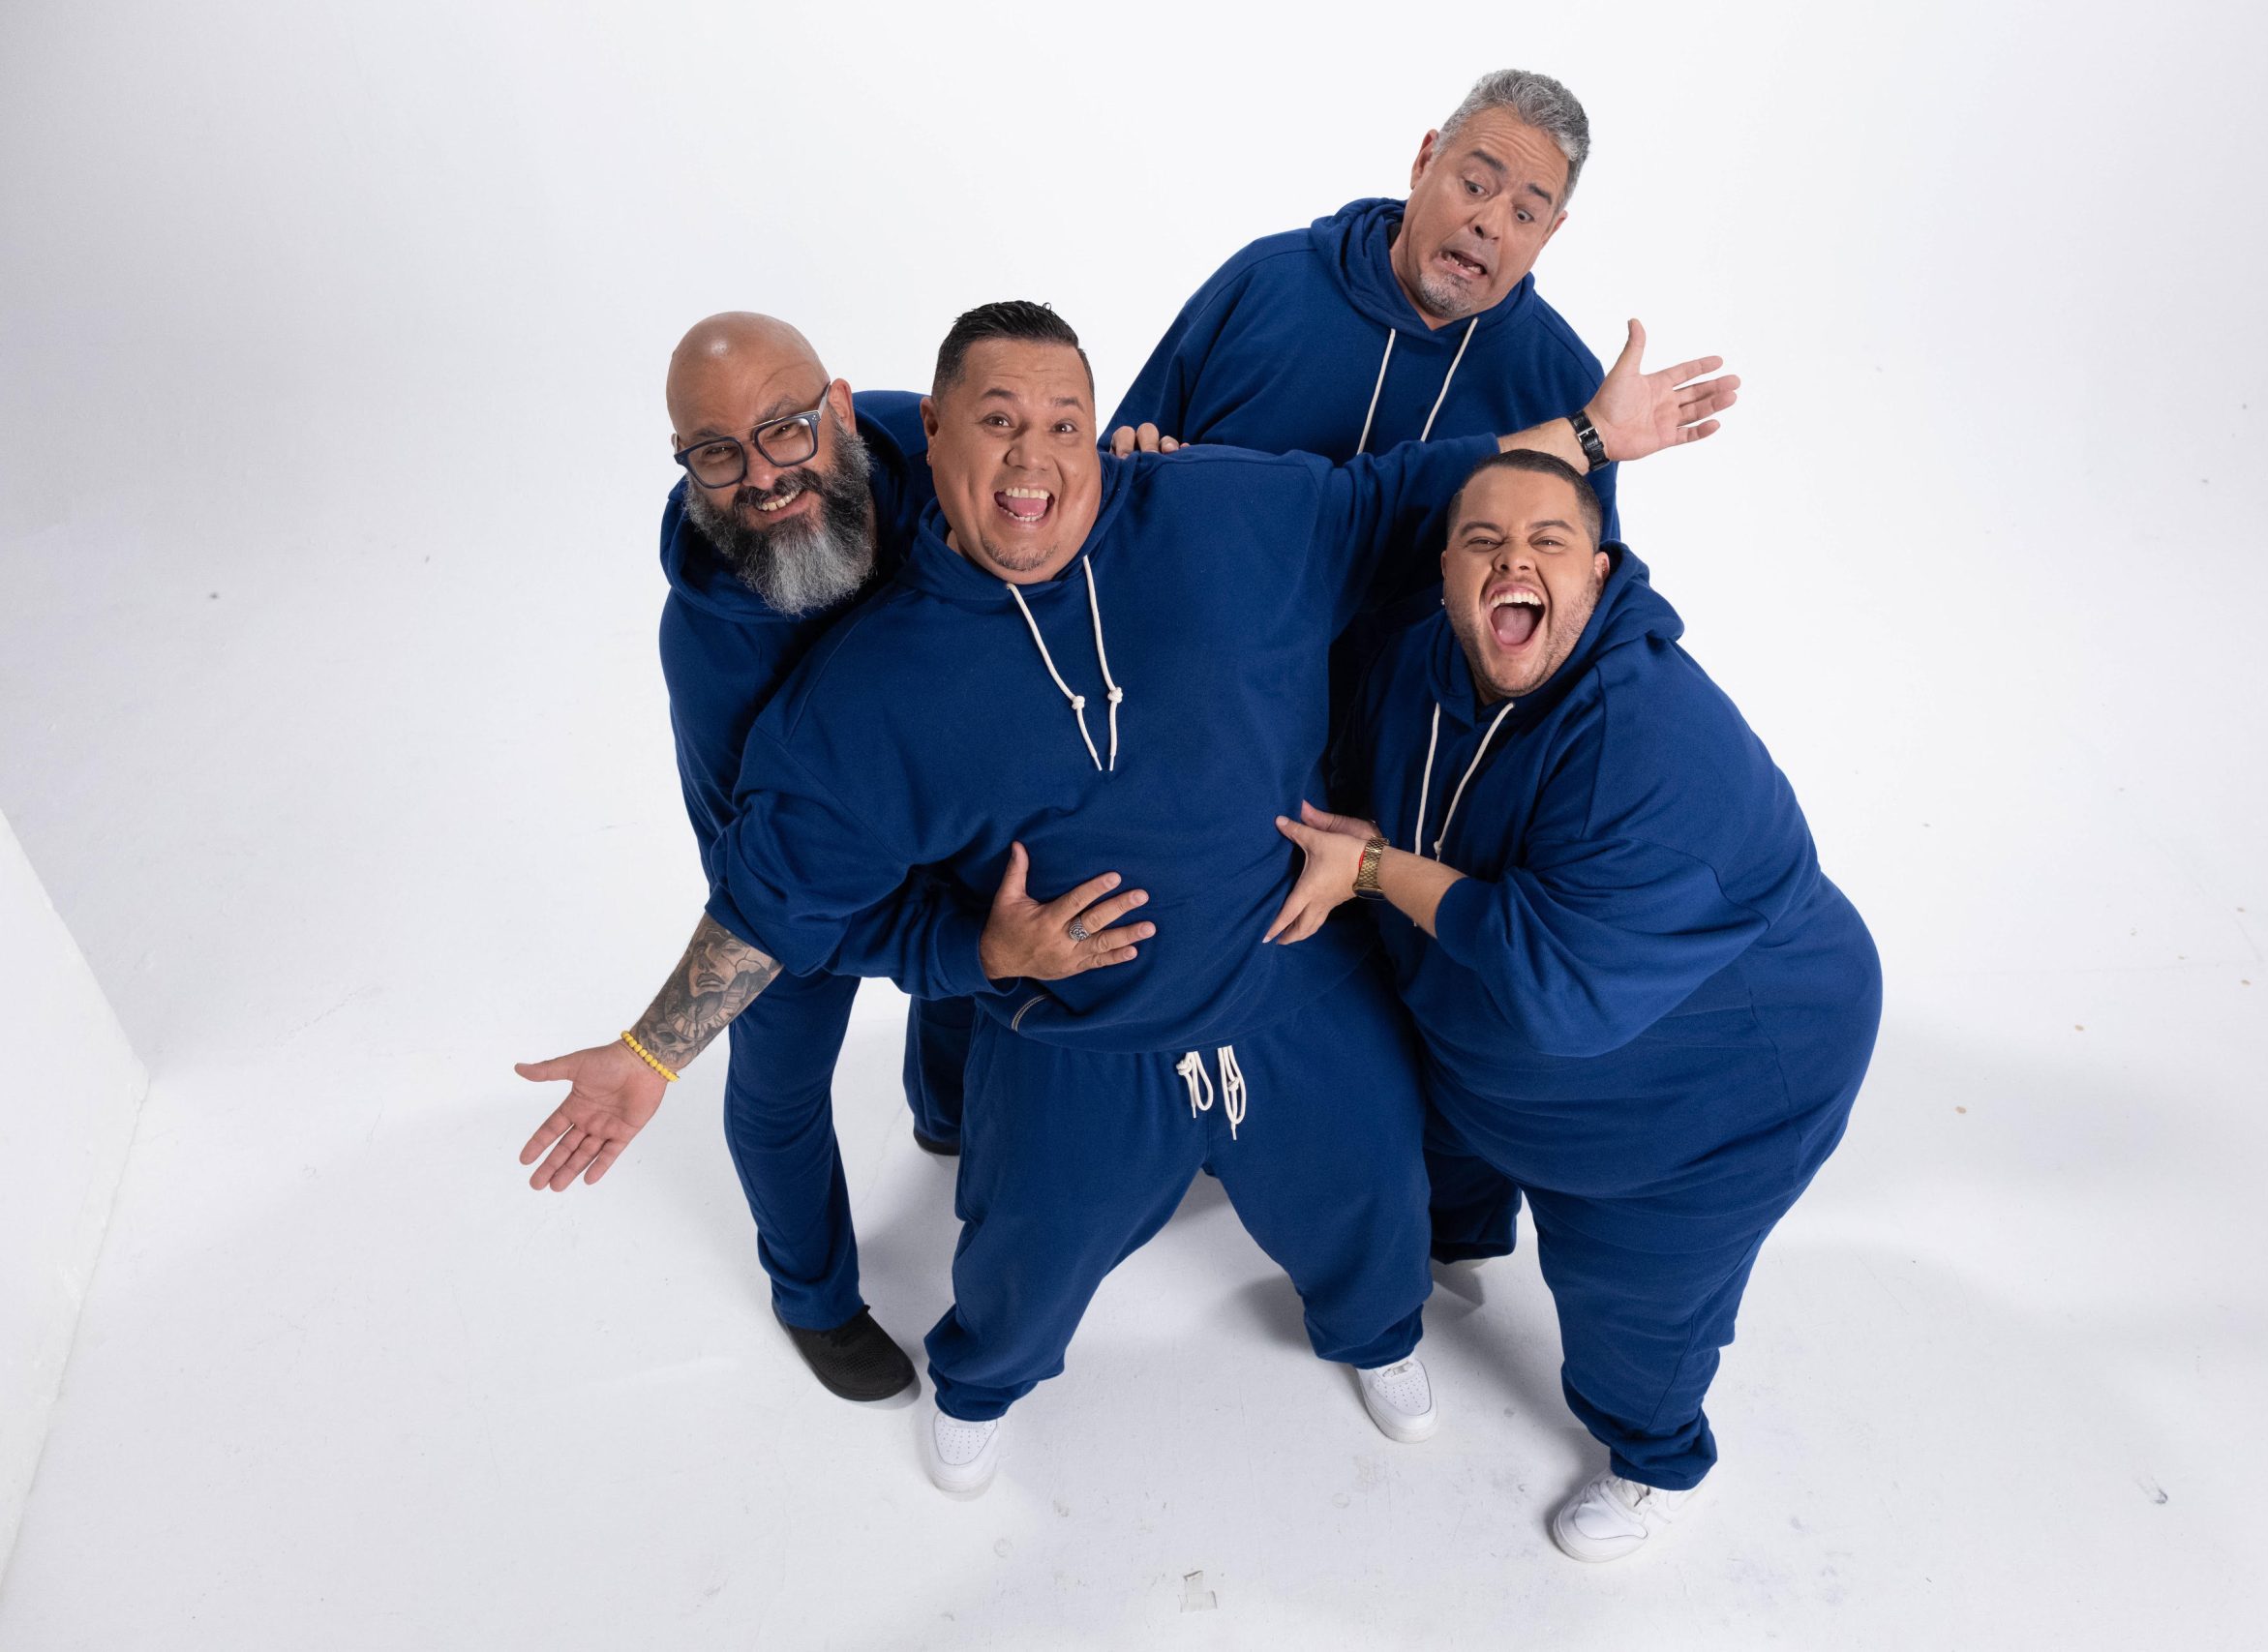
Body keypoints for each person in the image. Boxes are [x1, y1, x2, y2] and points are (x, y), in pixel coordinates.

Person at [514, 301, 1735, 1498]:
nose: (1030, 455)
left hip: (1291, 977)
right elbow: (776, 895)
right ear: (937, 434)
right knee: (1016, 1258)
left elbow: (1402, 493)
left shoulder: (1221, 510)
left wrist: (1590, 435)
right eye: (998, 423)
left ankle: (1376, 1333)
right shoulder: (835, 688)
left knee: (1374, 1204)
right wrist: (652, 1052)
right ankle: (954, 1372)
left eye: (1064, 424)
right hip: (1073, 1021)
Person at [1267, 450, 1881, 1562]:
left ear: (1597, 574)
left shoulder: (1654, 742)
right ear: (1445, 570)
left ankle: (1656, 1462)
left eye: (1548, 541)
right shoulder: (1417, 661)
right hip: (1488, 1037)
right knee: (1438, 1122)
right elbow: (1368, 791)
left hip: (1705, 1100)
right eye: (1484, 541)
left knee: (1633, 1307)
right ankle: (1465, 1236)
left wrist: (1377, 871)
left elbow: (1558, 994)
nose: (1514, 560)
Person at [560, 312, 976, 1403]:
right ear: (684, 461)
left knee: (974, 983)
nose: (760, 474)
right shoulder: (708, 649)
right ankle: (812, 1296)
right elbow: (762, 880)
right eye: (716, 451)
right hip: (793, 892)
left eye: (785, 429)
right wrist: (653, 1053)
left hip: (950, 806)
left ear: (839, 409)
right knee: (781, 1081)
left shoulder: (927, 446)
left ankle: (947, 1114)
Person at [1110, 69, 1644, 553]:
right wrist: (1131, 469)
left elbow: (1588, 593)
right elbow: (1109, 480)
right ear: (1424, 161)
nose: (1490, 224)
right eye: (1475, 186)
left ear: (1550, 233)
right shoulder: (1266, 280)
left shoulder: (1567, 386)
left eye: (1525, 214)